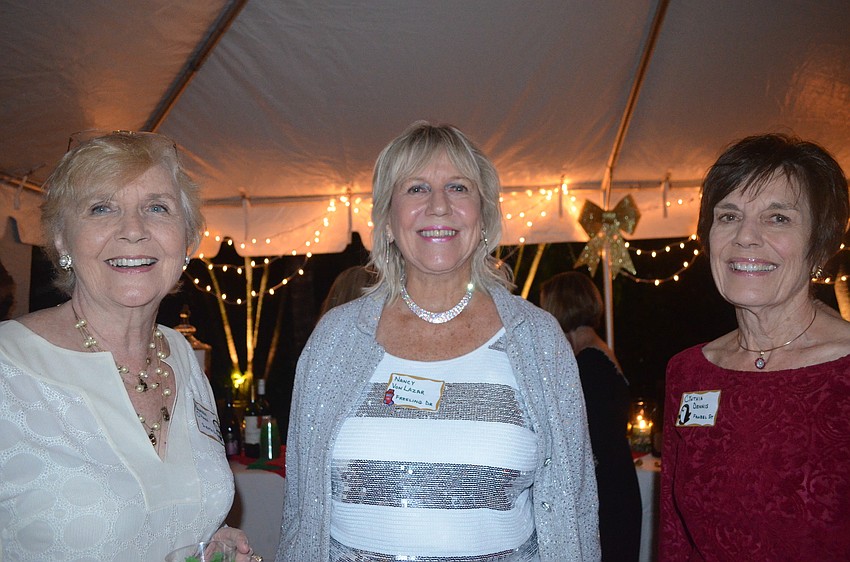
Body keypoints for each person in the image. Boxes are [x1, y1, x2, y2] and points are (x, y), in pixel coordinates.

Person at [278, 121, 599, 561]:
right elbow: (301, 511)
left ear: (484, 217)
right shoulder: (335, 340)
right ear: (388, 221)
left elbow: (574, 507)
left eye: (458, 187)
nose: (439, 206)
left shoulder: (538, 340)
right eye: (415, 189)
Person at [0, 131, 256, 561]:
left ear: (187, 238)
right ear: (62, 238)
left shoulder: (183, 358)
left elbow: (159, 510)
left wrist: (212, 539)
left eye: (157, 208)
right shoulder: (8, 366)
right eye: (102, 208)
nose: (134, 230)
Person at [659, 133, 850, 560]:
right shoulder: (689, 372)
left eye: (777, 218)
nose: (746, 237)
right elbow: (675, 538)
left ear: (818, 243)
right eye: (728, 216)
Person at [540, 271, 641, 561]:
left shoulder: (588, 364)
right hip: (616, 480)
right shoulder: (596, 354)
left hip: (606, 491)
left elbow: (582, 439)